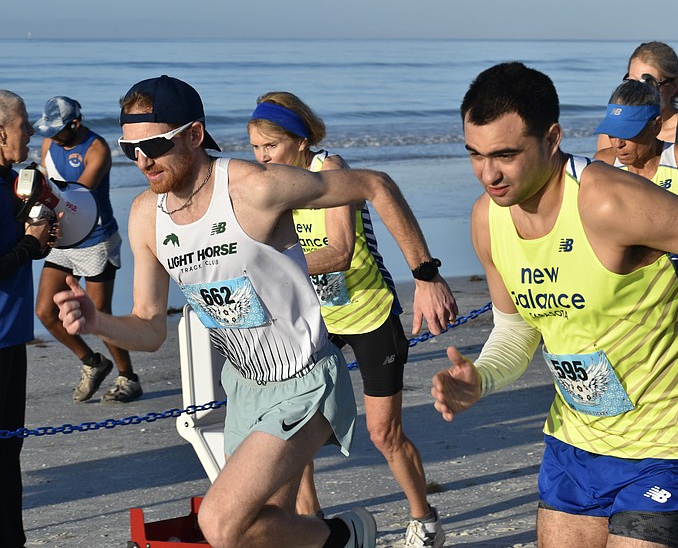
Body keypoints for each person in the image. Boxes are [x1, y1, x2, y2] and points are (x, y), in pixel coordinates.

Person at [53, 75, 455, 548]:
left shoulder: (254, 188)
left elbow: (374, 184)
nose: (143, 160)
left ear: (194, 135)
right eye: (130, 149)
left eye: (156, 145)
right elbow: (149, 328)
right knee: (263, 531)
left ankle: (346, 537)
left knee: (221, 524)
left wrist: (425, 275)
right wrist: (98, 322)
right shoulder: (147, 215)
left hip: (305, 380)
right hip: (244, 387)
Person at [430, 61, 678, 548]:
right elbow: (518, 328)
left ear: (551, 139)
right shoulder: (488, 219)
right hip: (576, 439)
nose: (489, 174)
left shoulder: (609, 203)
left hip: (665, 440)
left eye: (505, 154)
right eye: (475, 155)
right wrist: (479, 379)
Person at [247, 92, 445, 547]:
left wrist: (265, 265)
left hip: (370, 313)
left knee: (384, 433)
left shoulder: (331, 172)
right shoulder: (271, 185)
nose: (261, 158)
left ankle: (424, 519)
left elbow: (340, 252)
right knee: (297, 430)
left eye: (270, 147)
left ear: (299, 140)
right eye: (256, 148)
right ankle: (312, 524)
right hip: (316, 321)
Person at [33, 96, 142, 403]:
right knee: (45, 312)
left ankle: (129, 378)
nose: (51, 136)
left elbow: (76, 198)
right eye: (47, 129)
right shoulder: (48, 144)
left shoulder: (97, 149)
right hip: (62, 239)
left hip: (96, 239)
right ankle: (93, 363)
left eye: (57, 130)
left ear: (75, 124)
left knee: (100, 316)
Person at [0, 90, 57, 548]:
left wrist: (43, 229)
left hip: (11, 334)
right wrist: (31, 247)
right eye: (24, 124)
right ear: (2, 132)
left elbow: (21, 238)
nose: (33, 131)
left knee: (9, 452)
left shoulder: (9, 181)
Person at [597, 41, 678, 151]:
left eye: (649, 83)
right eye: (633, 82)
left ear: (673, 86)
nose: (639, 91)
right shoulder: (611, 134)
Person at [593, 77, 678, 200]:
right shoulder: (604, 165)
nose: (618, 144)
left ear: (656, 126)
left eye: (628, 132)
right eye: (612, 131)